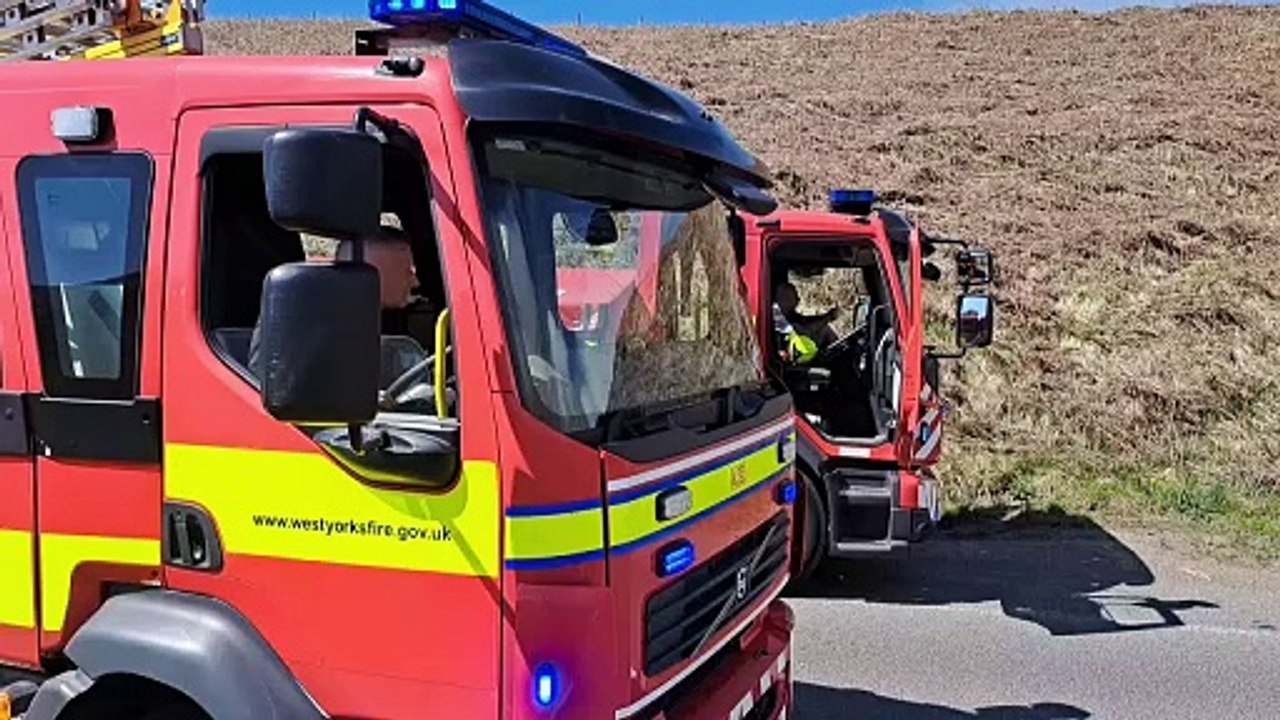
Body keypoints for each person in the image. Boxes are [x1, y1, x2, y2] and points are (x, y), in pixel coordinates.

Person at [247, 225, 420, 384]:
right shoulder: (305, 323)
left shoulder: (381, 320)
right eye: (407, 272)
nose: (415, 282)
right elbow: (280, 389)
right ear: (373, 273)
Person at [774, 281, 840, 349]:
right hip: (797, 351)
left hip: (800, 346)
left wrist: (826, 317)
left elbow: (805, 321)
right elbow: (805, 329)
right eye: (794, 295)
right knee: (824, 330)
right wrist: (828, 317)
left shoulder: (788, 314)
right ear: (785, 298)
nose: (798, 299)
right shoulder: (779, 318)